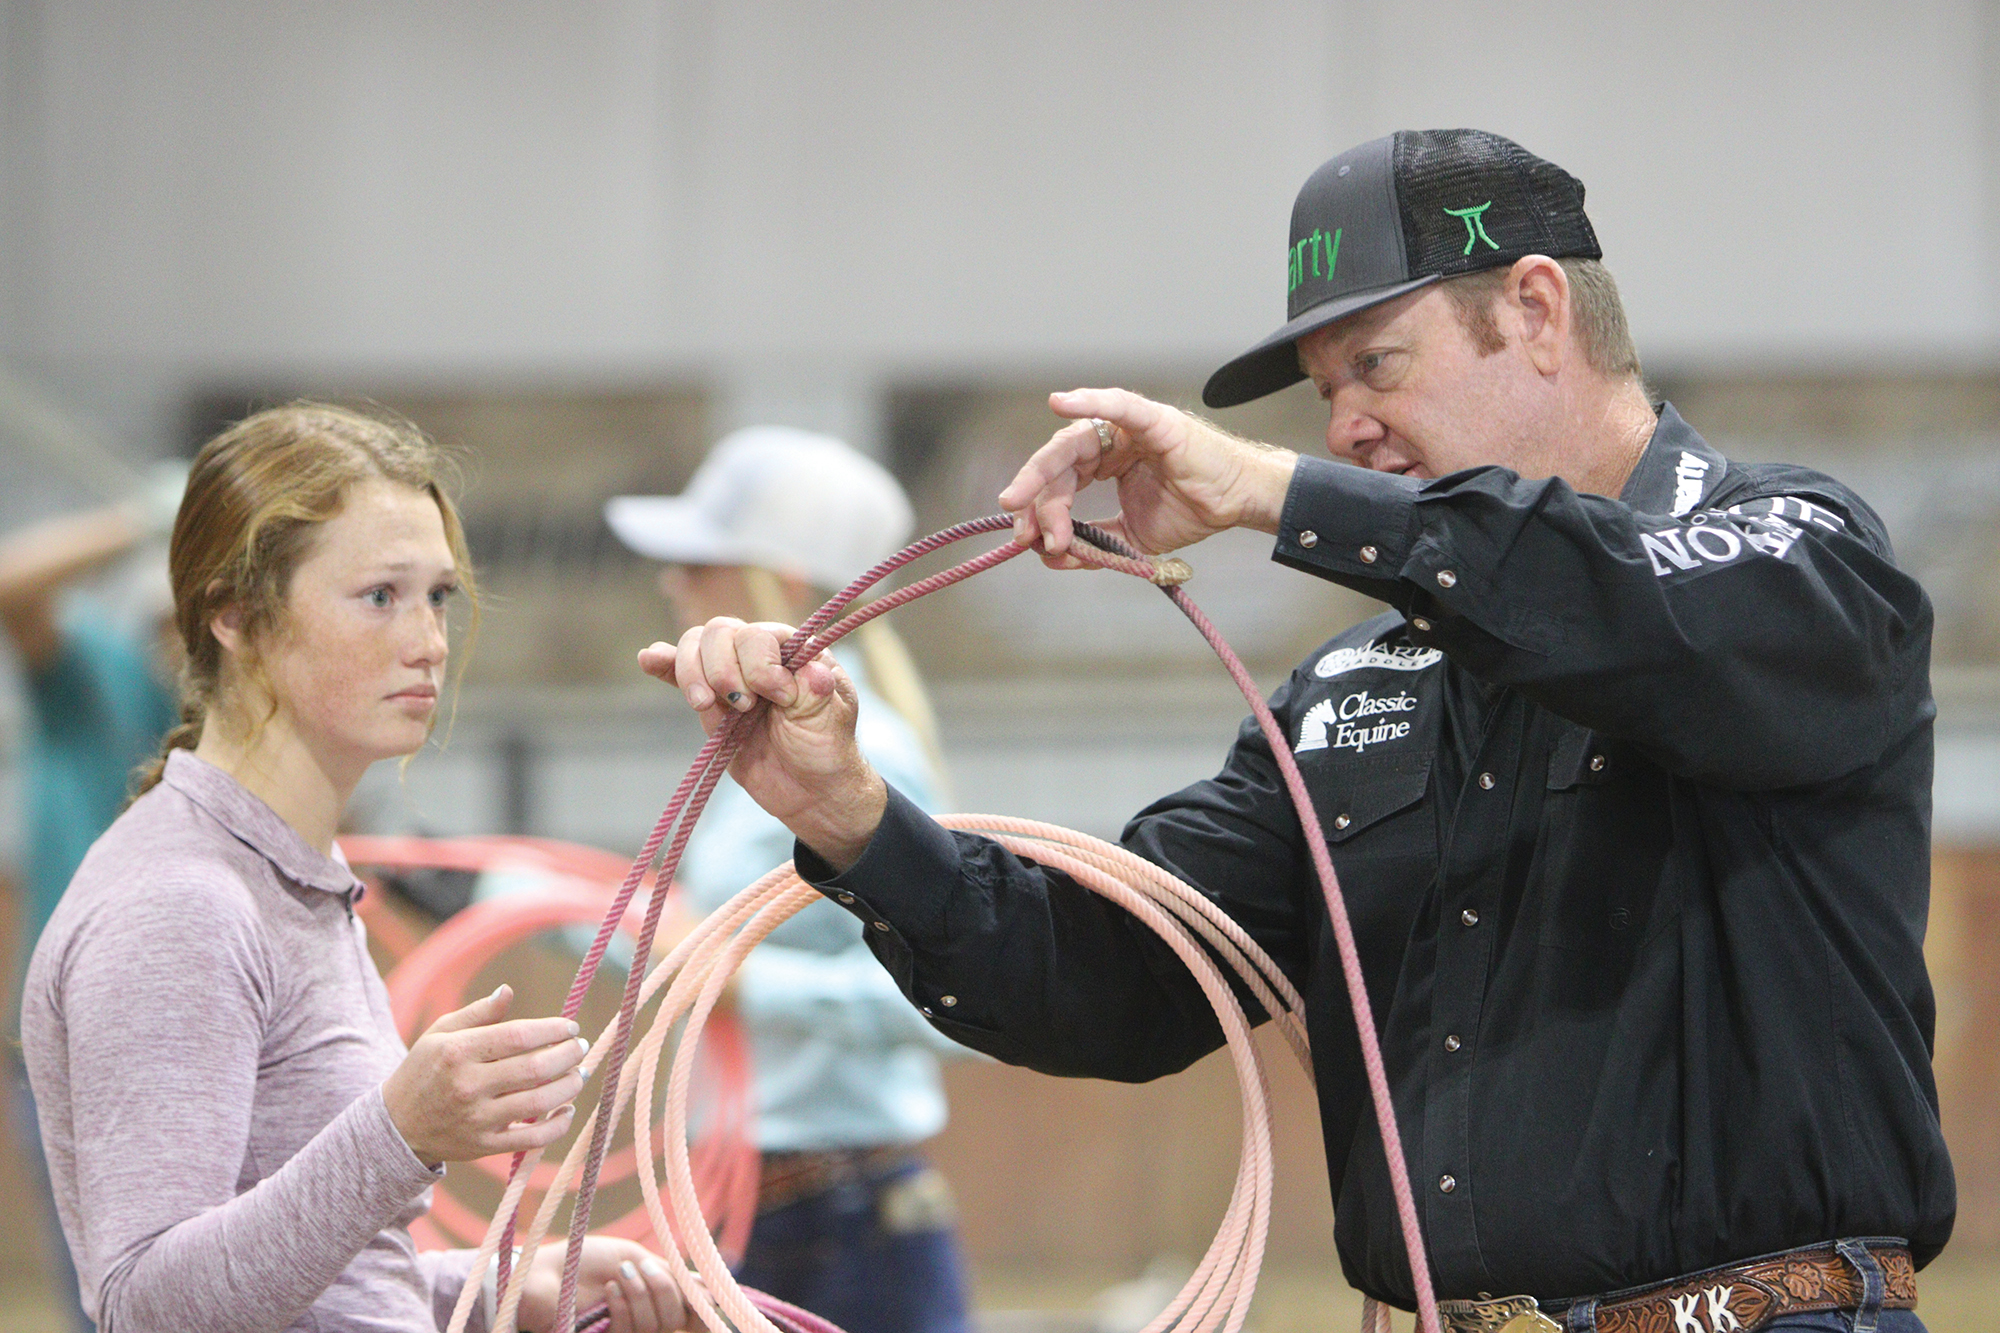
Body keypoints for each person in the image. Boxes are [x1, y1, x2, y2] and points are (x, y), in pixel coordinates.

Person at [642, 131, 1951, 1332]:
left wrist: (1277, 491)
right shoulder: (1354, 691)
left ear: (1538, 312)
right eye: (1322, 397)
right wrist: (850, 817)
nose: (1343, 430)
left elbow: (1625, 609)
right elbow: (1120, 974)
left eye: (1375, 367)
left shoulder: (1794, 553)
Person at [21, 403, 686, 1333]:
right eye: (380, 596)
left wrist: (491, 1287)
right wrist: (399, 1132)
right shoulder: (182, 905)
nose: (428, 640)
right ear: (236, 617)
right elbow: (149, 1308)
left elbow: (324, 1285)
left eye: (438, 596)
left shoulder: (291, 870)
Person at [606, 426, 973, 1333]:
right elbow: (693, 938)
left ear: (788, 587)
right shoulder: (762, 757)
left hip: (837, 1213)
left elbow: (949, 993)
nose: (676, 582)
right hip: (782, 1202)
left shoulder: (865, 761)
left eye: (701, 559)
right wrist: (499, 894)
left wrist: (749, 982)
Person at [0, 480, 182, 1333]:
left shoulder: (247, 725)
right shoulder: (94, 680)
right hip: (72, 1043)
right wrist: (140, 516)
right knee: (101, 1293)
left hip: (190, 1041)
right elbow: (14, 584)